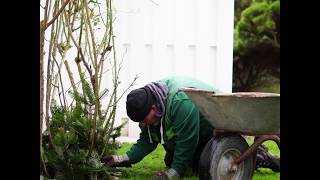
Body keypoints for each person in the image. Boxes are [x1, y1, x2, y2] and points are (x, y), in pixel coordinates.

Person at [102, 76, 280, 179]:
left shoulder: (180, 102)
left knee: (187, 165)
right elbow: (148, 139)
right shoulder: (150, 100)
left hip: (210, 132)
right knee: (172, 161)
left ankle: (260, 155)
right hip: (200, 136)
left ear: (154, 108)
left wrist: (172, 174)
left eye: (143, 120)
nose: (143, 125)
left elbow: (187, 142)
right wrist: (122, 158)